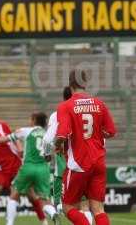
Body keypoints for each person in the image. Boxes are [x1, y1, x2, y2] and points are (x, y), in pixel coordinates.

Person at [55, 70, 117, 225]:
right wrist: (94, 137)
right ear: (85, 83)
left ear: (70, 85)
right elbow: (111, 132)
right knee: (98, 209)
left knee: (68, 206)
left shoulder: (65, 106)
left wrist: (58, 146)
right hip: (98, 162)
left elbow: (62, 135)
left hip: (79, 164)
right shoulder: (99, 104)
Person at [0, 109, 47, 225]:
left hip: (17, 167)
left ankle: (43, 221)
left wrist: (20, 148)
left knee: (32, 197)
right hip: (0, 171)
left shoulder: (1, 125)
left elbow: (14, 137)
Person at [43, 86, 93, 224]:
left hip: (64, 169)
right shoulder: (87, 113)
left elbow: (47, 139)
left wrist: (47, 154)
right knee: (85, 206)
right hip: (85, 166)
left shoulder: (57, 114)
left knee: (63, 207)